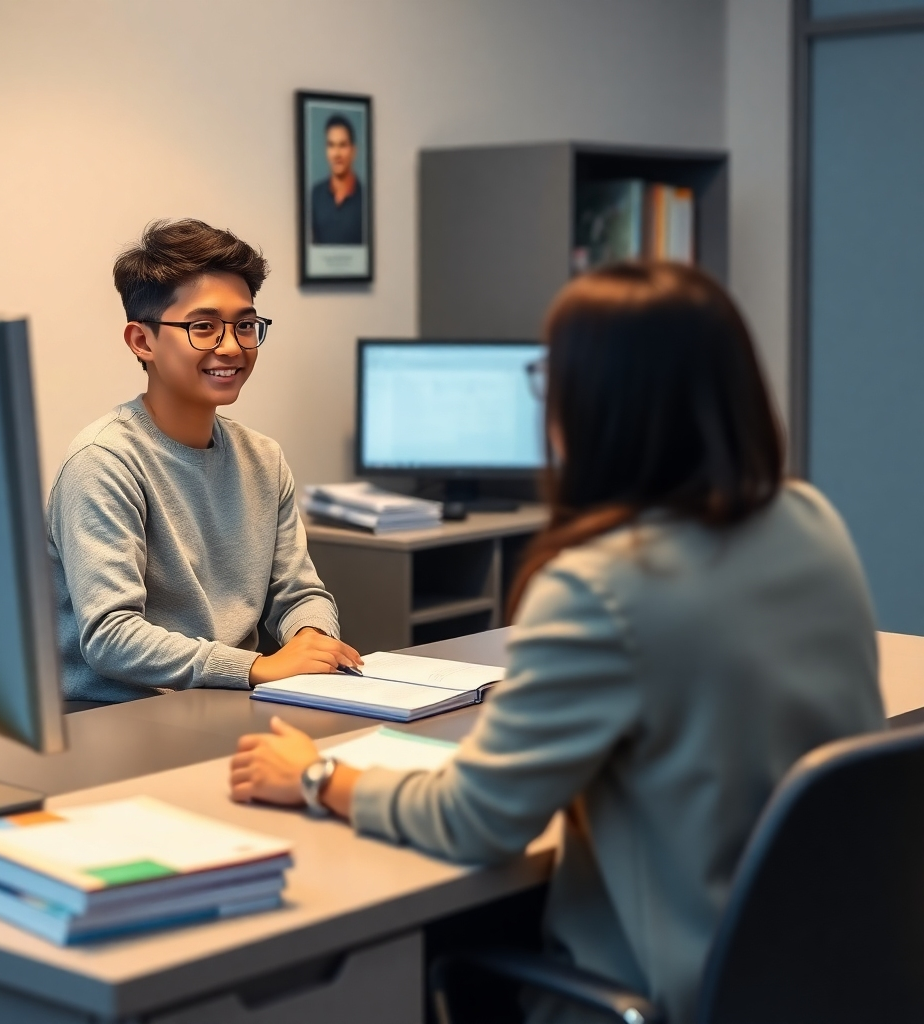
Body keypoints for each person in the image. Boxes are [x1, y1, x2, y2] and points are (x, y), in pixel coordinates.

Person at [228, 263, 885, 1024]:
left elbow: (475, 821)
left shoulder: (601, 585)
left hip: (666, 994)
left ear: (597, 401)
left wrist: (317, 778)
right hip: (828, 981)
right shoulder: (811, 522)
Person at [48, 218, 362, 703]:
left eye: (245, 325)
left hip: (227, 698)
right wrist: (255, 667)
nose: (232, 346)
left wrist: (311, 639)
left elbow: (299, 593)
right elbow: (110, 636)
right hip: (111, 713)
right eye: (203, 327)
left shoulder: (264, 458)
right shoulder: (103, 461)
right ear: (142, 341)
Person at [310, 114, 363, 245]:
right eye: (331, 145)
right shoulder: (315, 196)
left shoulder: (365, 198)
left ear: (353, 150)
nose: (337, 153)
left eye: (342, 145)